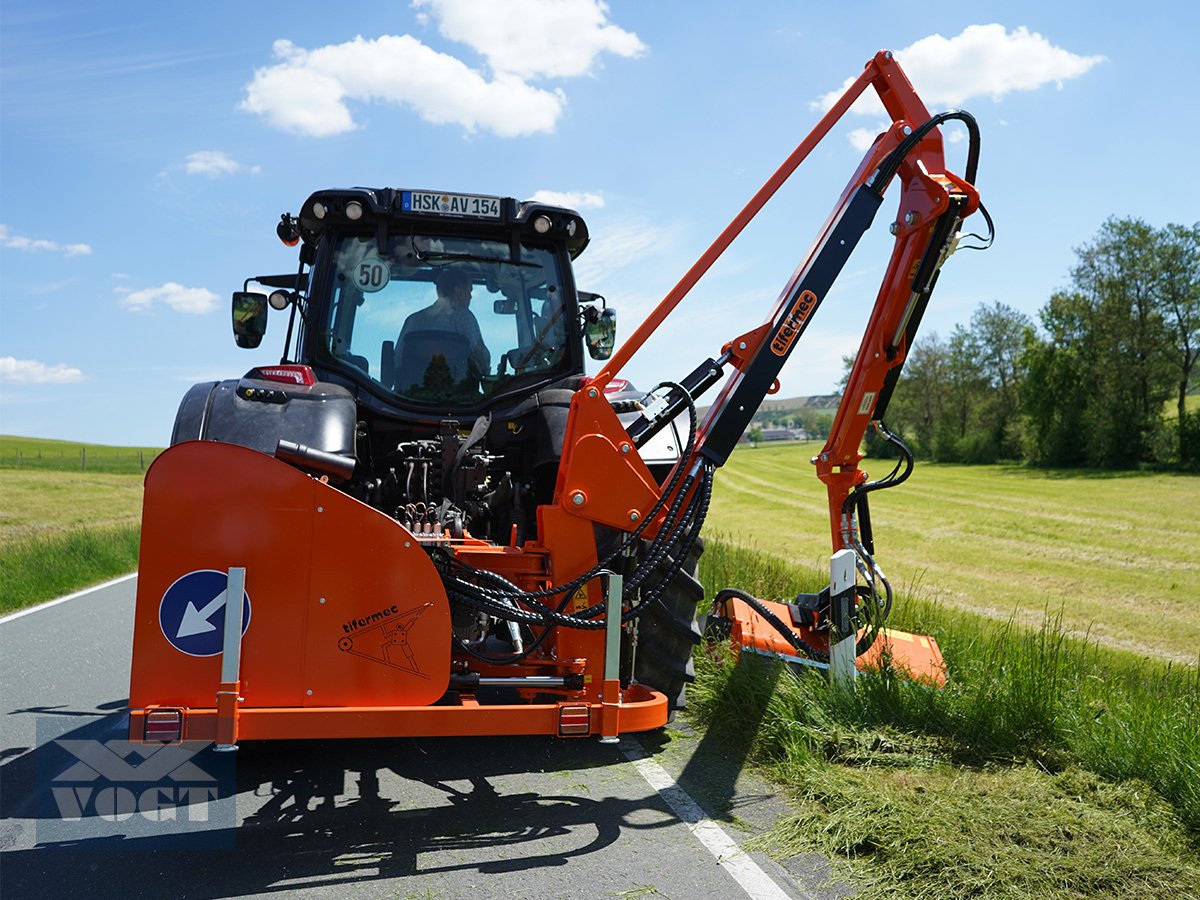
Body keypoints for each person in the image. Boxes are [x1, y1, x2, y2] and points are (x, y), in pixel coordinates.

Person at [394, 268, 491, 386]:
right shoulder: (464, 317)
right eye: (469, 291)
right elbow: (481, 363)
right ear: (459, 292)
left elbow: (397, 363)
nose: (470, 297)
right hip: (456, 397)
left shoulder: (412, 320)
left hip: (411, 395)